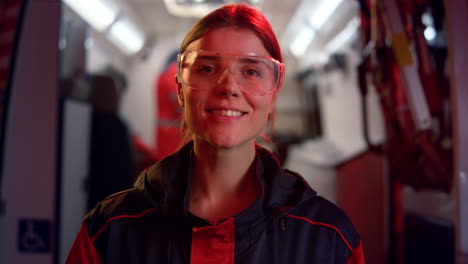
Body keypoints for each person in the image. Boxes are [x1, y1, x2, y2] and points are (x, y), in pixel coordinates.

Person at [66, 3, 365, 263]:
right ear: (180, 91)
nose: (228, 87)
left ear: (273, 95)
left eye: (251, 71)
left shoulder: (329, 237)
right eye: (207, 69)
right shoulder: (110, 230)